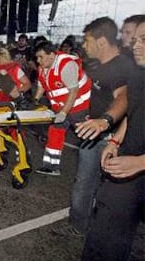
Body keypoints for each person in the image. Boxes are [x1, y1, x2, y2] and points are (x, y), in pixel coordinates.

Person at [54, 17, 135, 237]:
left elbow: (123, 98)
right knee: (83, 182)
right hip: (92, 134)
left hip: (114, 139)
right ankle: (78, 226)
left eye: (87, 40)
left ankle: (105, 233)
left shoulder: (123, 67)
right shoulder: (97, 65)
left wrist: (105, 120)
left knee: (111, 192)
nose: (84, 45)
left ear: (101, 42)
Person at [80, 17, 145, 261]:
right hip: (128, 163)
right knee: (103, 235)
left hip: (138, 164)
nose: (135, 45)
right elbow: (132, 111)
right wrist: (116, 140)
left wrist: (141, 162)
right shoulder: (139, 74)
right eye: (135, 39)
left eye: (143, 40)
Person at [33, 41, 91, 176]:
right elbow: (42, 85)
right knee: (55, 132)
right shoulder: (43, 66)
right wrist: (35, 101)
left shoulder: (66, 65)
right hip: (60, 108)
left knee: (88, 137)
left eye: (41, 57)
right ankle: (51, 167)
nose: (38, 60)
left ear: (52, 55)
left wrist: (64, 112)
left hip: (79, 108)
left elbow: (73, 91)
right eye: (37, 57)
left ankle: (98, 169)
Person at [0, 47, 33, 158]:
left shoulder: (15, 69)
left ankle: (22, 151)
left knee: (15, 128)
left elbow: (27, 84)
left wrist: (17, 92)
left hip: (11, 102)